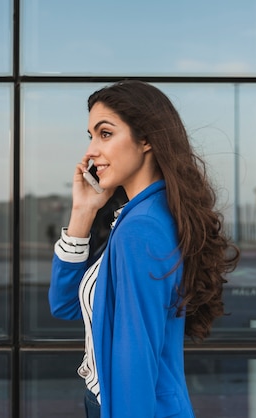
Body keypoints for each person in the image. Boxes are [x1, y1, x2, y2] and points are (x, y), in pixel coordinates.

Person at [49, 80, 239, 418]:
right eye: (90, 136)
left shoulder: (141, 229)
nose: (90, 151)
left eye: (105, 134)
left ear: (147, 138)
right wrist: (82, 213)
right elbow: (65, 304)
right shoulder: (143, 217)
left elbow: (135, 359)